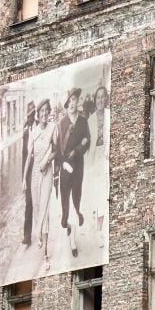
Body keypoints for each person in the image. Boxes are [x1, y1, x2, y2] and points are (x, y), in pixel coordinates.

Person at [55, 87, 91, 257]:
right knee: (65, 200)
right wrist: (61, 164)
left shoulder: (83, 122)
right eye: (69, 102)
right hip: (65, 167)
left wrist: (76, 150)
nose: (72, 104)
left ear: (77, 102)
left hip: (78, 165)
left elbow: (87, 141)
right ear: (66, 104)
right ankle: (69, 228)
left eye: (74, 100)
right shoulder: (62, 124)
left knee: (76, 197)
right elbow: (57, 147)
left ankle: (73, 236)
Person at [29, 99, 56, 269]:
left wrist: (46, 161)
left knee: (45, 211)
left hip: (47, 172)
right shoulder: (33, 131)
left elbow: (55, 149)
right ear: (38, 115)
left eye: (47, 110)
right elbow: (30, 155)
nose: (45, 114)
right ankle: (38, 234)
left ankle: (45, 254)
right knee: (38, 208)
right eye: (42, 112)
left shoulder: (53, 128)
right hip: (35, 174)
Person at [86, 86, 110, 246]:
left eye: (103, 97)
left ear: (106, 99)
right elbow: (89, 143)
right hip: (94, 158)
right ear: (95, 100)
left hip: (105, 157)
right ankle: (94, 226)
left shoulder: (110, 116)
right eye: (98, 97)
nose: (100, 100)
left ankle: (100, 230)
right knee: (93, 193)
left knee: (103, 194)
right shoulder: (90, 119)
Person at [20, 101, 37, 247]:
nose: (31, 117)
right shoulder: (25, 130)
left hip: (39, 170)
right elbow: (23, 155)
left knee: (38, 203)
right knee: (29, 204)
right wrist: (23, 178)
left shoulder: (39, 127)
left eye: (33, 114)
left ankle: (41, 233)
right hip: (28, 171)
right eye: (29, 115)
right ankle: (27, 236)